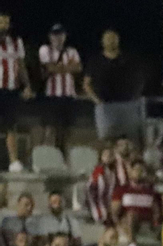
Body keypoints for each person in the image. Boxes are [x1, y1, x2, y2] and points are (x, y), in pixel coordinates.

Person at [83, 29, 147, 143]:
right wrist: (97, 101)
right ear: (102, 42)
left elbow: (140, 78)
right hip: (105, 107)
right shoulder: (95, 61)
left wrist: (136, 96)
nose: (111, 42)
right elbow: (86, 84)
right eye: (108, 39)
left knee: (130, 141)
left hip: (128, 106)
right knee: (107, 141)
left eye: (113, 39)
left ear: (118, 41)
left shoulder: (129, 59)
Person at [37, 23, 82, 152]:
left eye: (61, 35)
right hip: (52, 95)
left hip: (68, 95)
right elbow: (50, 67)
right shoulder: (45, 49)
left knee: (66, 129)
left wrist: (60, 68)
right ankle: (45, 155)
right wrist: (68, 67)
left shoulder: (72, 51)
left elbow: (78, 68)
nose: (58, 38)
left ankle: (62, 156)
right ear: (50, 37)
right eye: (55, 35)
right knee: (49, 127)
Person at [0, 11, 35, 172]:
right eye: (2, 22)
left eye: (7, 23)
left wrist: (27, 85)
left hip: (11, 89)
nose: (5, 26)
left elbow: (21, 66)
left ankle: (14, 161)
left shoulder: (16, 42)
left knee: (10, 126)